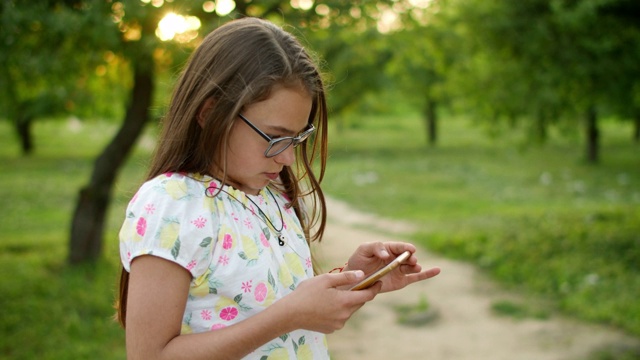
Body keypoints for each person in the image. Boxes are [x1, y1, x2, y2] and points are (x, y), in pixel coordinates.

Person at [116, 17, 440, 359]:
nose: (287, 157)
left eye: (297, 138)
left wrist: (353, 278)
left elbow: (271, 305)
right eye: (274, 137)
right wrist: (288, 316)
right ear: (211, 113)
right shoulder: (174, 205)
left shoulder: (273, 198)